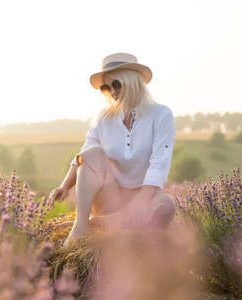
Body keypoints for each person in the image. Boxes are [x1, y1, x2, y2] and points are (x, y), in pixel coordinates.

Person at [49, 53, 176, 247]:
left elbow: (160, 162)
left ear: (133, 81)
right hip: (110, 195)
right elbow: (84, 156)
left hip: (144, 195)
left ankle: (103, 224)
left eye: (116, 84)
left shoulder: (161, 115)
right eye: (105, 88)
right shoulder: (103, 118)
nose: (112, 92)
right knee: (92, 153)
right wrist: (64, 186)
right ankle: (81, 226)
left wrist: (140, 202)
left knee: (166, 206)